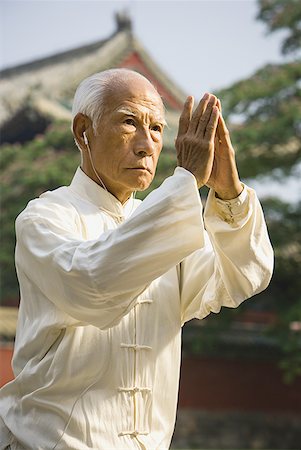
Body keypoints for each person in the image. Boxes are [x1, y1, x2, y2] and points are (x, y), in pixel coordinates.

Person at [0, 68, 273, 450]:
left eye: (158, 129)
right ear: (83, 131)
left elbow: (244, 276)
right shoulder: (45, 219)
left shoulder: (169, 221)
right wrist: (184, 181)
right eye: (130, 122)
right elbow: (94, 284)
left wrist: (229, 193)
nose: (147, 145)